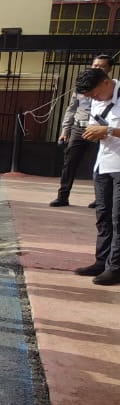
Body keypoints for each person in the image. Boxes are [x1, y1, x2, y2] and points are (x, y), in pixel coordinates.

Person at [78, 66, 120, 286]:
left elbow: (109, 130)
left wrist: (108, 130)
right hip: (103, 164)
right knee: (103, 216)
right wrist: (94, 132)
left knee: (118, 218)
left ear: (106, 82)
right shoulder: (97, 100)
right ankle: (102, 261)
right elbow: (97, 125)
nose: (94, 98)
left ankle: (115, 268)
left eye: (95, 94)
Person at [52, 54, 112, 207]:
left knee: (99, 164)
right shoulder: (82, 85)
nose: (97, 68)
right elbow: (71, 109)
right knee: (69, 162)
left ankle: (99, 198)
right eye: (95, 65)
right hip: (79, 128)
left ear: (109, 69)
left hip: (99, 130)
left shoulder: (109, 88)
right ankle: (62, 196)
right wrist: (65, 130)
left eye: (102, 66)